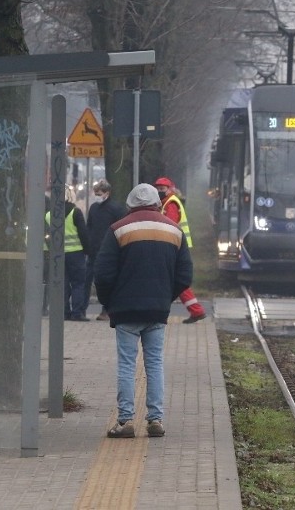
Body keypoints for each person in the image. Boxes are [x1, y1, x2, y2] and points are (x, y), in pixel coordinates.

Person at [94, 183, 193, 439]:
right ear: (158, 204)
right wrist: (165, 298)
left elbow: (103, 274)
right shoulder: (173, 231)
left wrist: (110, 303)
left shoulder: (118, 230)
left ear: (129, 205)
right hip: (157, 310)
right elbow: (185, 275)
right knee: (155, 363)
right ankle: (155, 419)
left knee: (127, 365)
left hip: (125, 310)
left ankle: (125, 421)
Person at [153, 176, 207, 323]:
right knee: (175, 280)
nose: (159, 191)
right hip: (174, 246)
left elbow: (170, 225)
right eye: (157, 189)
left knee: (166, 280)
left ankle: (158, 312)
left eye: (162, 189)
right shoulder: (166, 202)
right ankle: (196, 310)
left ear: (170, 189)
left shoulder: (170, 203)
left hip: (173, 247)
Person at [83, 179, 127, 321]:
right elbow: (89, 228)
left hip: (109, 252)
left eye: (99, 193)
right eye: (95, 193)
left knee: (107, 282)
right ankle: (80, 310)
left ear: (107, 193)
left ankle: (107, 310)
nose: (97, 196)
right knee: (86, 281)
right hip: (94, 251)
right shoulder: (94, 208)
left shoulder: (116, 209)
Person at [46, 186, 91, 321]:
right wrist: (88, 250)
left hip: (58, 255)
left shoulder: (49, 215)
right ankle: (77, 313)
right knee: (78, 283)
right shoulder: (75, 213)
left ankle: (64, 312)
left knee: (63, 284)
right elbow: (83, 234)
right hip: (76, 254)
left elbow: (47, 235)